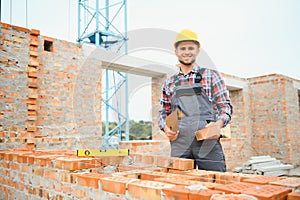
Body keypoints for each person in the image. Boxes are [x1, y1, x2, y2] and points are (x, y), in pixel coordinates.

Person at [158, 29, 233, 172]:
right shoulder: (169, 83)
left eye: (191, 48)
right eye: (183, 48)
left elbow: (225, 107)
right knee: (180, 186)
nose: (187, 52)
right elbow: (163, 112)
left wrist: (218, 124)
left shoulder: (211, 76)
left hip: (207, 142)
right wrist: (165, 127)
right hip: (180, 144)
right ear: (176, 51)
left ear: (198, 50)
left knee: (215, 184)